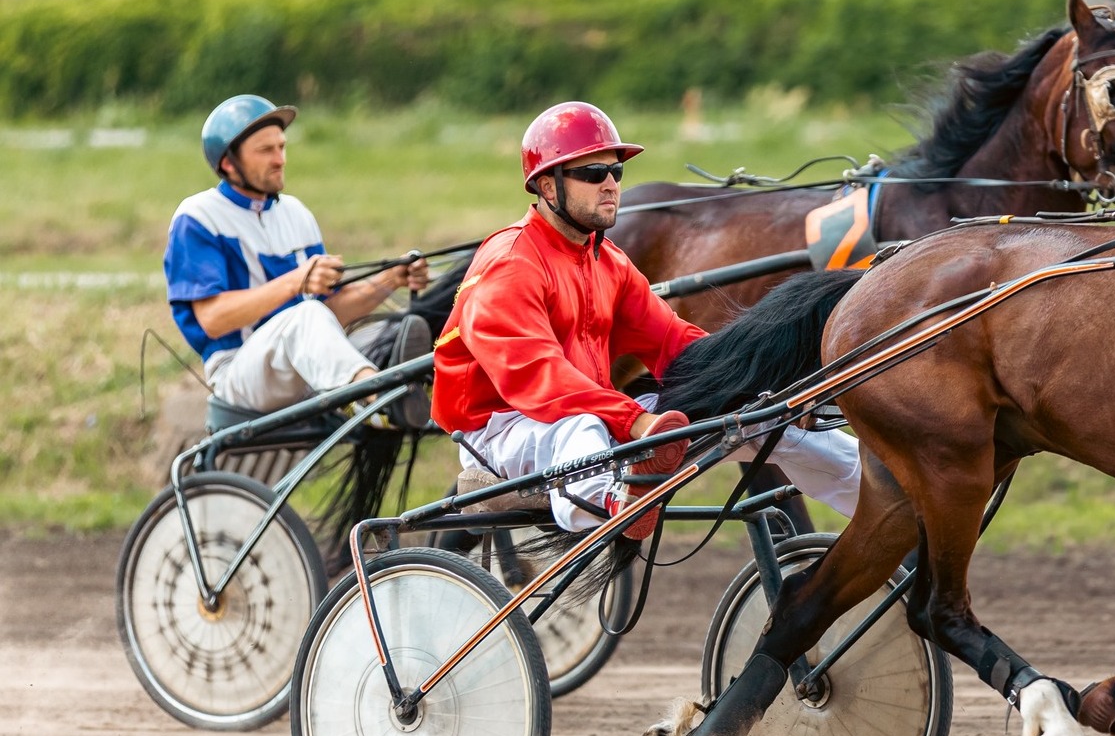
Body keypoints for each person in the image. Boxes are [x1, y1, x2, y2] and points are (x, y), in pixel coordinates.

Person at [432, 101, 861, 539]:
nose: (611, 185)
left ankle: (890, 498)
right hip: (505, 429)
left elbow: (673, 341)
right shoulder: (511, 263)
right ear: (547, 185)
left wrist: (756, 390)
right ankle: (618, 508)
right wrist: (633, 421)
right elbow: (537, 376)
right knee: (584, 429)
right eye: (594, 174)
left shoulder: (608, 259)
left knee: (763, 421)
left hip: (594, 411)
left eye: (616, 172)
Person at [164, 95, 429, 414]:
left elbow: (331, 313)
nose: (280, 159)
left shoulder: (296, 214)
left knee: (388, 328)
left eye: (281, 147)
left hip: (304, 366)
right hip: (239, 373)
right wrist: (296, 282)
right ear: (228, 163)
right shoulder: (198, 216)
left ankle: (410, 395)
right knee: (306, 316)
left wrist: (388, 280)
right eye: (265, 151)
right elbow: (213, 320)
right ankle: (377, 401)